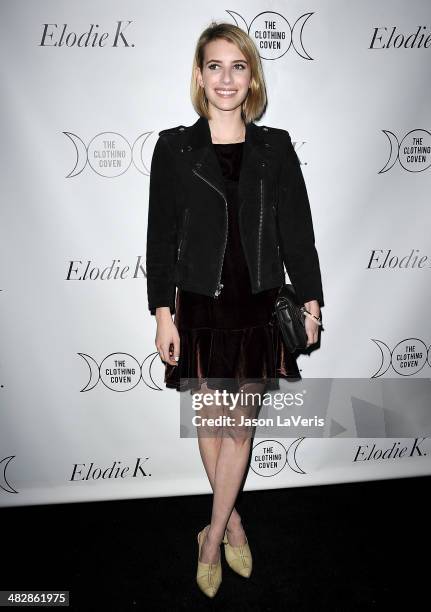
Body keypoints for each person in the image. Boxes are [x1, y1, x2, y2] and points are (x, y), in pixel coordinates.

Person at [146, 21, 324, 598]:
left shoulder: (276, 146)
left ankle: (209, 536)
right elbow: (160, 238)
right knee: (213, 426)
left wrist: (312, 300)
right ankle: (234, 524)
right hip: (200, 305)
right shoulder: (175, 148)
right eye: (215, 66)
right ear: (200, 76)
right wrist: (163, 313)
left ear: (253, 77)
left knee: (239, 431)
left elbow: (298, 232)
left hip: (258, 305)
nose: (226, 78)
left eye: (238, 66)